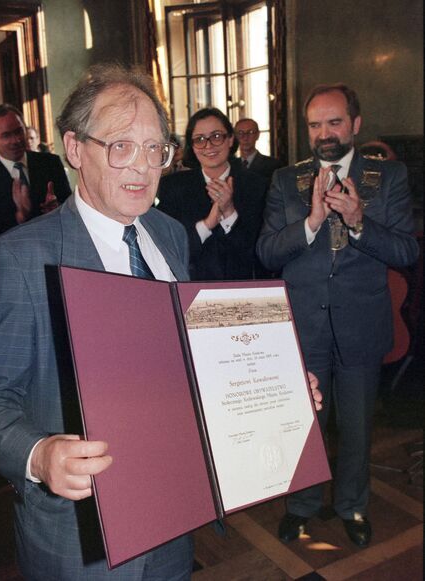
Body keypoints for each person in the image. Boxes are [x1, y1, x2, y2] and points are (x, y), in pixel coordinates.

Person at [0, 64, 193, 580]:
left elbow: (185, 357)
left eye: (155, 148)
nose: (142, 166)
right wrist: (38, 454)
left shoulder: (170, 234)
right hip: (79, 538)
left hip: (174, 509)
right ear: (74, 149)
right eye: (121, 146)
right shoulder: (20, 260)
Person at [257, 83, 419, 548]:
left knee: (356, 427)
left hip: (361, 326)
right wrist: (310, 223)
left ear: (355, 124)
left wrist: (359, 221)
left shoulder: (388, 177)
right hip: (303, 327)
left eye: (334, 122)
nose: (324, 133)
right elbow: (267, 252)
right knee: (303, 425)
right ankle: (301, 506)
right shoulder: (286, 180)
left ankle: (353, 506)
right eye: (315, 125)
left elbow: (406, 250)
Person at [157, 108, 267, 281]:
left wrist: (230, 213)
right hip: (190, 287)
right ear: (192, 146)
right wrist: (207, 225)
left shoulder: (257, 185)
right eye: (199, 139)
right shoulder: (172, 187)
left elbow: (261, 252)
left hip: (243, 287)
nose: (208, 146)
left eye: (216, 136)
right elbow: (167, 249)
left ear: (230, 139)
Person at [0, 104, 71, 251]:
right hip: (10, 257)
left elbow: (71, 210)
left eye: (19, 131)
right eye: (6, 135)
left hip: (55, 249)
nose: (16, 140)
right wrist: (19, 218)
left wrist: (58, 209)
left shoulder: (50, 163)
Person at [234, 118, 283, 186]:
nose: (245, 137)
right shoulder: (231, 165)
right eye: (240, 133)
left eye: (250, 132)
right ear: (235, 136)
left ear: (257, 135)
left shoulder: (272, 165)